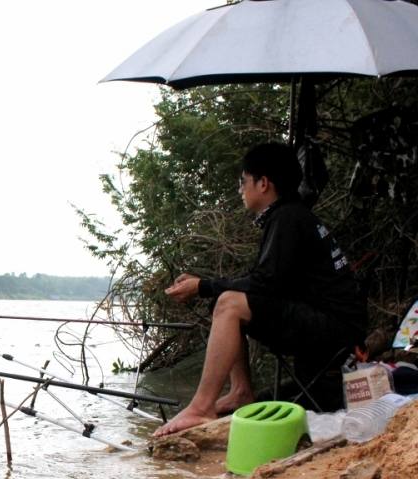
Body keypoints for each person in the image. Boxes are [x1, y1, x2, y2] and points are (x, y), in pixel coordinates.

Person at [154, 142, 366, 437]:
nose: (241, 190)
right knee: (227, 301)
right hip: (331, 325)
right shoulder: (290, 216)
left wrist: (203, 286)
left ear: (263, 183)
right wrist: (208, 287)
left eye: (243, 182)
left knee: (229, 303)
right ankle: (241, 391)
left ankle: (202, 407)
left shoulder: (289, 218)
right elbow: (267, 280)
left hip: (334, 333)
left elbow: (265, 284)